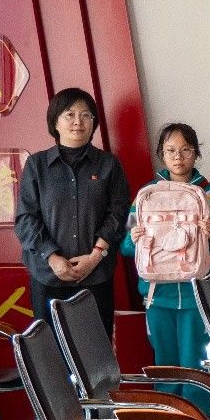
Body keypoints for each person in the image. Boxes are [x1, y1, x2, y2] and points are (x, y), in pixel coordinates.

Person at [121, 123, 210, 411]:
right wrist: (134, 240)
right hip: (158, 296)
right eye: (170, 150)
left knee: (197, 365)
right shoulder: (147, 195)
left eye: (185, 150)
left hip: (199, 297)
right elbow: (126, 247)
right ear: (161, 154)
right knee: (165, 366)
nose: (178, 157)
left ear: (196, 153)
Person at [15, 88, 130, 337]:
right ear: (55, 122)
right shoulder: (36, 165)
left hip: (95, 274)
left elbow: (118, 213)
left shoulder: (109, 164)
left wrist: (95, 256)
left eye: (86, 115)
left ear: (93, 122)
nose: (78, 121)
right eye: (70, 114)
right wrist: (52, 257)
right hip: (47, 275)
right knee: (50, 348)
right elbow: (26, 218)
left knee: (95, 349)